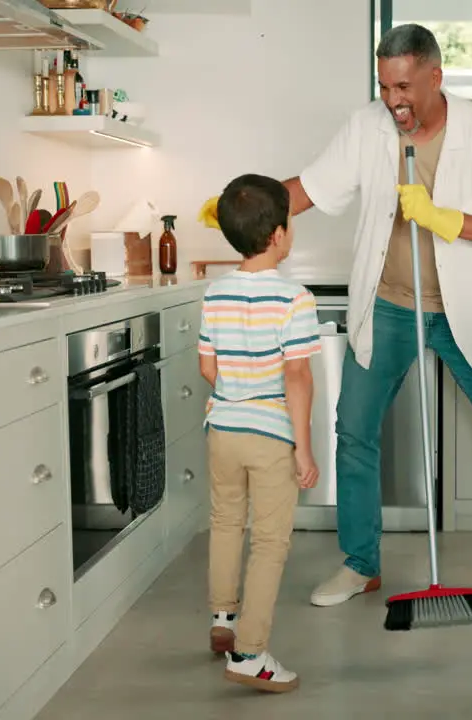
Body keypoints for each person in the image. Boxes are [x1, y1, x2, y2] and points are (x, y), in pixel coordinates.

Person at [199, 24, 472, 616]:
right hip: (391, 304)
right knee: (354, 431)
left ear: (434, 77)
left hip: (462, 311)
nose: (393, 99)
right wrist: (242, 206)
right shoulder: (368, 126)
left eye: (403, 86)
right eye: (384, 85)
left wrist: (444, 219)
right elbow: (309, 189)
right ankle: (361, 564)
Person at [199, 173, 321, 693]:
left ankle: (223, 621)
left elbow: (208, 367)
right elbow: (297, 377)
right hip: (270, 434)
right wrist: (303, 447)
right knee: (270, 542)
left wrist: (236, 390)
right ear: (277, 234)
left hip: (222, 428)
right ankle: (250, 653)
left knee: (226, 521)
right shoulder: (295, 298)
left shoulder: (215, 292)